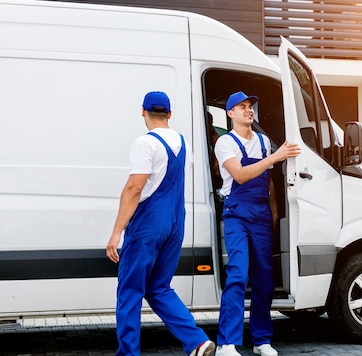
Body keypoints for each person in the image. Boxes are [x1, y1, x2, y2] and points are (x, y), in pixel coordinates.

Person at [106, 91, 215, 356]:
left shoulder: (145, 144)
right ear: (169, 114)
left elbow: (134, 188)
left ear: (142, 111)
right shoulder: (183, 142)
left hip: (148, 224)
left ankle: (128, 353)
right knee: (158, 287)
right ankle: (197, 341)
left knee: (130, 291)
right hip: (175, 222)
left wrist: (116, 232)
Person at [214, 91, 301, 356]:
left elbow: (270, 181)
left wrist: (274, 212)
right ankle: (226, 343)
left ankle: (262, 340)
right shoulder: (225, 143)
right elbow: (240, 175)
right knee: (239, 274)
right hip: (237, 213)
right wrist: (276, 157)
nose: (249, 110)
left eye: (250, 106)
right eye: (242, 107)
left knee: (264, 278)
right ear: (230, 113)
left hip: (262, 214)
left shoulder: (263, 141)